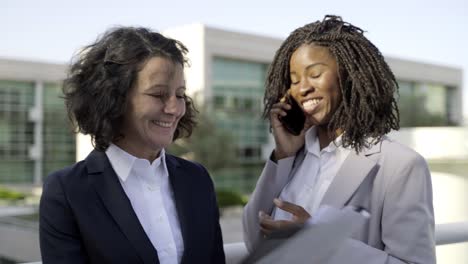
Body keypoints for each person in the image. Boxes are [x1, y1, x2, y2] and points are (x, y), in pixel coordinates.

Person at [243, 15, 435, 263]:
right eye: (294, 80)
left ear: (348, 74)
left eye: (315, 74)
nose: (303, 88)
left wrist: (318, 239)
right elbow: (252, 238)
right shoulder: (292, 157)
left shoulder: (401, 166)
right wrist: (283, 156)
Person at [39, 26, 225, 264]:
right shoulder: (67, 191)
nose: (174, 108)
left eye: (179, 95)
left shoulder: (197, 179)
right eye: (158, 95)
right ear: (114, 98)